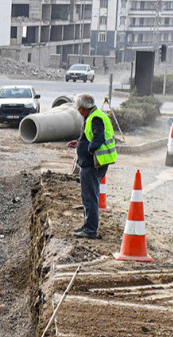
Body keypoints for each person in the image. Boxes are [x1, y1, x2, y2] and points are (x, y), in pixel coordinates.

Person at [67, 93, 117, 239]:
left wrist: (88, 149)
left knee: (90, 197)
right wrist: (80, 143)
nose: (78, 110)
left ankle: (90, 230)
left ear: (83, 108)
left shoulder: (95, 118)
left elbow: (98, 138)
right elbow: (91, 136)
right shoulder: (94, 115)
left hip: (92, 165)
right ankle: (87, 225)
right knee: (88, 196)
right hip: (92, 164)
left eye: (79, 108)